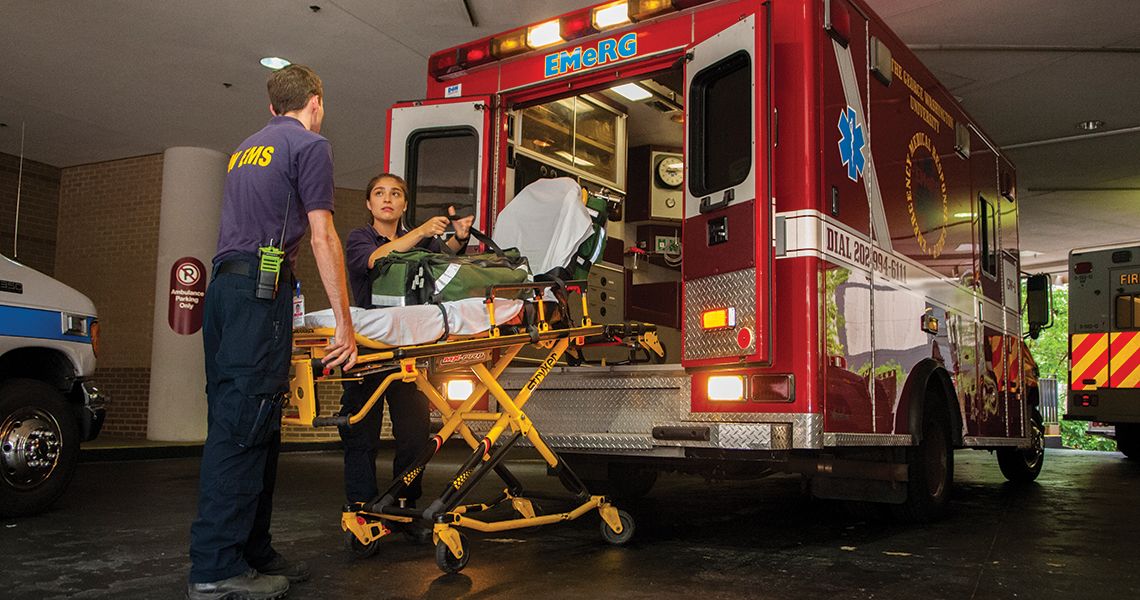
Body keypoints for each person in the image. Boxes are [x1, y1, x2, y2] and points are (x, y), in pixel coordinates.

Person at [188, 64, 357, 600]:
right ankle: (215, 566)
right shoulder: (310, 145)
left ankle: (251, 551)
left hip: (225, 293)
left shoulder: (246, 148)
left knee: (253, 420)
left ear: (270, 107)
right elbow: (323, 233)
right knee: (244, 425)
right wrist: (345, 324)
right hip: (259, 296)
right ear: (316, 101)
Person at [339, 173, 473, 516]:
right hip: (366, 348)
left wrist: (459, 238)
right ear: (369, 204)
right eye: (380, 193)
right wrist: (420, 232)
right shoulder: (360, 238)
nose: (387, 199)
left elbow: (442, 261)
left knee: (414, 434)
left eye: (395, 194)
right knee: (360, 431)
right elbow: (375, 259)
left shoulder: (420, 240)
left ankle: (404, 502)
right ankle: (362, 506)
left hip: (408, 349)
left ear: (404, 204)